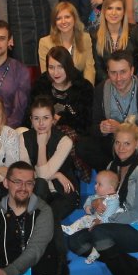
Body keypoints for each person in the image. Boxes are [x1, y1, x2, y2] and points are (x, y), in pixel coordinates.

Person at [67, 123, 138, 275]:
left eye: (127, 143)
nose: (121, 148)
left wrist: (105, 221)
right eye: (118, 143)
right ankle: (130, 265)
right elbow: (103, 198)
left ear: (137, 144)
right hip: (117, 222)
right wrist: (95, 203)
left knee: (99, 233)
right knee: (75, 241)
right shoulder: (112, 165)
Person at [19, 95, 85, 225]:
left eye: (46, 118)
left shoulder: (65, 141)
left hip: (64, 192)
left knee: (47, 218)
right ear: (31, 120)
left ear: (53, 119)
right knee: (40, 185)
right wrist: (57, 174)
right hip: (36, 189)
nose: (41, 123)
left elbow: (42, 175)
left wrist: (41, 145)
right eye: (36, 118)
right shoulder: (23, 138)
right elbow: (27, 174)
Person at [63, 170, 125, 264]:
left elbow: (108, 216)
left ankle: (95, 253)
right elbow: (90, 199)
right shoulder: (98, 195)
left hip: (109, 223)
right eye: (95, 183)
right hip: (96, 218)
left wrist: (98, 222)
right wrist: (88, 206)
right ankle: (72, 229)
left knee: (99, 235)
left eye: (99, 184)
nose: (95, 186)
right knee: (85, 218)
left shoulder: (114, 201)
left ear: (110, 188)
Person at [39, 1, 97, 84]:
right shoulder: (44, 43)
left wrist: (87, 88)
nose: (63, 21)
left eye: (67, 17)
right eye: (58, 18)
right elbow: (46, 75)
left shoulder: (85, 38)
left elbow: (89, 69)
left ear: (74, 19)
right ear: (55, 22)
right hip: (56, 87)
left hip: (80, 86)